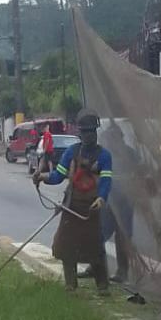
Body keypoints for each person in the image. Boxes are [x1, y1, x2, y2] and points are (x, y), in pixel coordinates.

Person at [35, 110, 112, 294]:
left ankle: (102, 285)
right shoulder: (71, 152)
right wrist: (42, 177)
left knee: (95, 247)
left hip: (92, 208)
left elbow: (107, 181)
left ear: (96, 132)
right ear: (80, 133)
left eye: (91, 131)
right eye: (85, 131)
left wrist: (102, 198)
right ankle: (71, 284)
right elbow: (58, 176)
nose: (88, 135)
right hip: (72, 206)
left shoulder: (104, 156)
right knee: (66, 245)